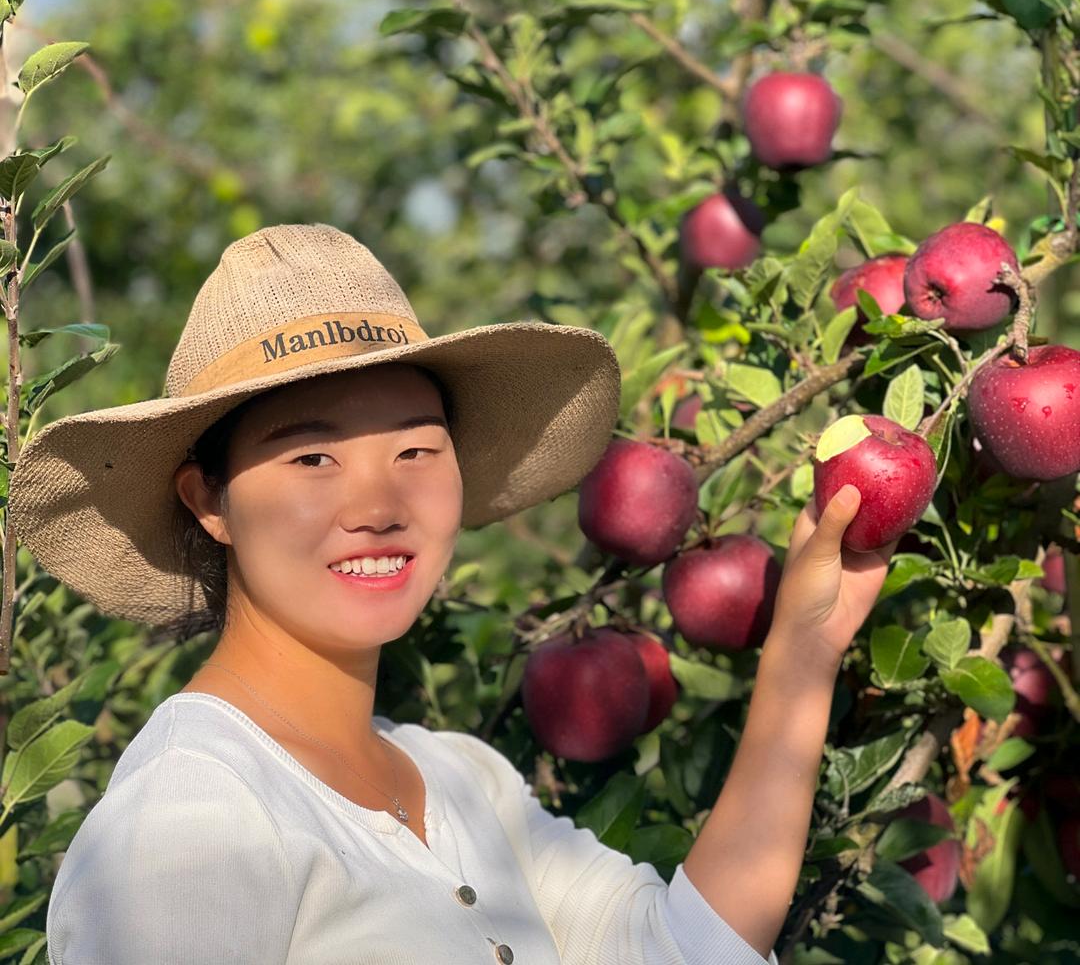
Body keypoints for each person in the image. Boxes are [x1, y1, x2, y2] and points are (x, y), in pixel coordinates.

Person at [9, 223, 894, 965]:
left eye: (415, 451)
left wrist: (802, 656)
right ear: (211, 503)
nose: (378, 506)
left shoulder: (463, 781)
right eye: (313, 457)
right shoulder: (194, 820)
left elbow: (679, 950)